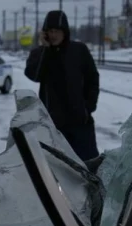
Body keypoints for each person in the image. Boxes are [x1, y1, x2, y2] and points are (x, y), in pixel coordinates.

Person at [25, 10, 101, 161]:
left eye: (57, 31)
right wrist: (45, 49)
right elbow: (34, 75)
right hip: (54, 126)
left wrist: (88, 108)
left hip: (80, 124)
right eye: (50, 31)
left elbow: (93, 78)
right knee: (59, 171)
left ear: (64, 32)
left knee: (89, 167)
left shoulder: (79, 50)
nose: (53, 35)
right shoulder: (40, 53)